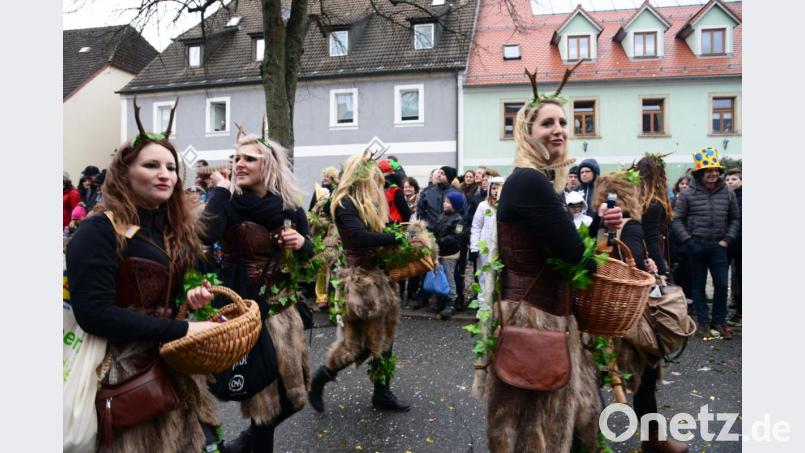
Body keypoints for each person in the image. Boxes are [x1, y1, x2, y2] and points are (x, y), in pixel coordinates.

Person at [65, 103, 224, 452]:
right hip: (122, 376)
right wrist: (182, 330)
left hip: (170, 365)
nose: (165, 174)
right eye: (151, 165)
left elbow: (160, 297)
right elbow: (93, 314)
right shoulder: (98, 230)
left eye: (171, 167)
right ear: (124, 174)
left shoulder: (169, 229)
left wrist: (188, 301)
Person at [486, 64, 623, 452]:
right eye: (547, 123)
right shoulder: (530, 180)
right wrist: (598, 249)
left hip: (547, 316)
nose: (558, 129)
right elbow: (575, 254)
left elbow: (561, 242)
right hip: (536, 319)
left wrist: (601, 226)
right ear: (527, 132)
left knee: (558, 418)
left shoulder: (540, 182)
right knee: (538, 428)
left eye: (563, 122)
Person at [200, 129, 313, 452]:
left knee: (293, 397)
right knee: (262, 403)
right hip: (243, 314)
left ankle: (244, 442)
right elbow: (203, 236)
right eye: (236, 158)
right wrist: (220, 191)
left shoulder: (289, 209)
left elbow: (311, 261)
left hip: (282, 315)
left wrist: (302, 244)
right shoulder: (228, 204)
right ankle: (248, 443)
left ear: (269, 165)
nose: (239, 164)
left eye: (249, 158)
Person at [589, 172, 688, 453]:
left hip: (598, 314)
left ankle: (589, 440)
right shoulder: (630, 226)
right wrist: (650, 269)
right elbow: (632, 267)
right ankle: (653, 440)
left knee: (593, 379)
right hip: (630, 317)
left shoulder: (595, 227)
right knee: (645, 377)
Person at [308, 151, 410, 414]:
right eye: (373, 178)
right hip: (359, 282)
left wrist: (399, 233)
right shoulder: (344, 203)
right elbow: (358, 236)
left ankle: (382, 392)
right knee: (355, 345)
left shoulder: (366, 203)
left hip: (378, 277)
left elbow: (378, 231)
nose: (377, 183)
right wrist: (394, 238)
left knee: (384, 337)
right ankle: (320, 378)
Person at [672, 147, 740, 339]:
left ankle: (719, 321)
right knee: (698, 285)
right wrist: (688, 241)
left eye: (716, 170)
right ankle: (702, 323)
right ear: (700, 173)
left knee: (721, 285)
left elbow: (735, 218)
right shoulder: (688, 194)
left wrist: (727, 240)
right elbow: (677, 219)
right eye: (709, 171)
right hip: (696, 246)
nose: (714, 174)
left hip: (719, 247)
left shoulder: (727, 192)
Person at [635, 153, 674, 277]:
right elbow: (651, 241)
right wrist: (662, 268)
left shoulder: (636, 198)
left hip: (636, 254)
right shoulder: (652, 203)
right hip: (648, 258)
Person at [469, 176, 504, 305]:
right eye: (493, 188)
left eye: (499, 188)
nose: (496, 191)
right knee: (484, 276)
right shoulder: (483, 206)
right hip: (485, 247)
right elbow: (476, 226)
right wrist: (474, 247)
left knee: (500, 277)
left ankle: (498, 306)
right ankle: (483, 306)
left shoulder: (506, 207)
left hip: (501, 247)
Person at [432, 191, 464, 320]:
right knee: (440, 276)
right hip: (439, 252)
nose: (445, 204)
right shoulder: (442, 216)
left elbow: (456, 237)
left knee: (449, 277)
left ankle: (451, 302)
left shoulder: (459, 220)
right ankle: (441, 299)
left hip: (450, 254)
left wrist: (439, 241)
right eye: (445, 201)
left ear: (455, 205)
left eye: (448, 202)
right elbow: (436, 230)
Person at [669, 174, 692, 297]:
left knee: (689, 272)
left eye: (687, 184)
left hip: (689, 238)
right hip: (674, 240)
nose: (684, 186)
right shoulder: (672, 200)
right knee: (677, 271)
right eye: (682, 183)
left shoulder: (693, 200)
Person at [400, 176, 422, 302]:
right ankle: (401, 290)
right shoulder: (400, 200)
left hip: (415, 233)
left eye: (410, 187)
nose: (407, 189)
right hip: (402, 233)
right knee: (402, 263)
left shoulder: (420, 200)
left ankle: (412, 292)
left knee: (414, 264)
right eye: (405, 187)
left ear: (415, 188)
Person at [725, 168, 742, 326]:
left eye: (734, 179)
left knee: (740, 276)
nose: (730, 182)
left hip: (740, 242)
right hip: (727, 242)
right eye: (728, 179)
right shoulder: (725, 196)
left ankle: (740, 310)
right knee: (725, 278)